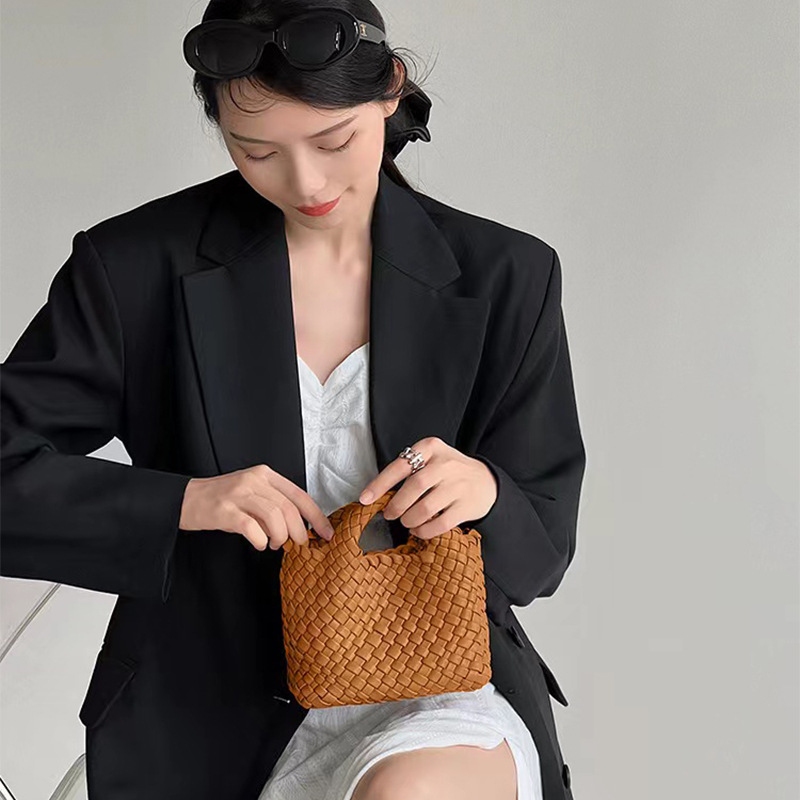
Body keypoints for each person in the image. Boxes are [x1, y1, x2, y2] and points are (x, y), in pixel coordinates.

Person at [0, 1, 586, 799]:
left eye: (333, 141)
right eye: (257, 151)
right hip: (204, 712)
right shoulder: (133, 266)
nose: (305, 182)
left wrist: (483, 491)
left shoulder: (507, 274)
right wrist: (187, 501)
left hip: (437, 686)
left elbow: (542, 552)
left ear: (390, 90)